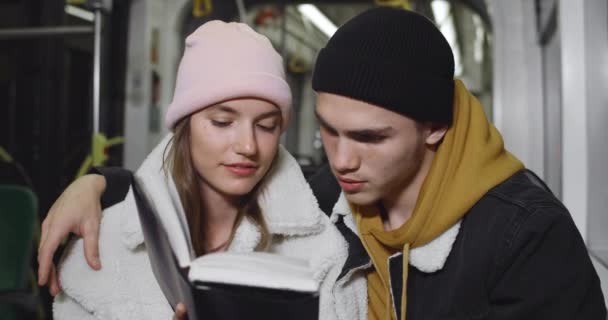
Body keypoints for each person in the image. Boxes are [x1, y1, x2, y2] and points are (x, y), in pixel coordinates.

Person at [40, 7, 607, 320]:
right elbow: (188, 187)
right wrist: (97, 183)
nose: (341, 159)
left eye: (369, 137)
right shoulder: (324, 196)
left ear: (435, 127)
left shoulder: (525, 237)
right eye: (328, 130)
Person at [46, 20, 353, 320]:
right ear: (185, 125)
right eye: (222, 122)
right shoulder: (102, 244)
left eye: (266, 126)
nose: (248, 145)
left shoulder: (321, 251)